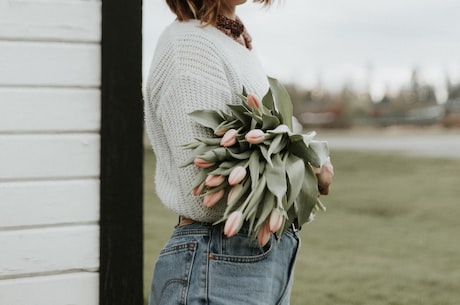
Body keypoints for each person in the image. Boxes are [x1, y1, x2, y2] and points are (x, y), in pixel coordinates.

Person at [144, 1, 334, 304]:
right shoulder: (190, 47)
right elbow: (205, 193)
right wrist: (308, 167)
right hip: (218, 260)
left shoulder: (233, 41)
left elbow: (280, 131)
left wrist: (309, 157)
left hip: (249, 259)